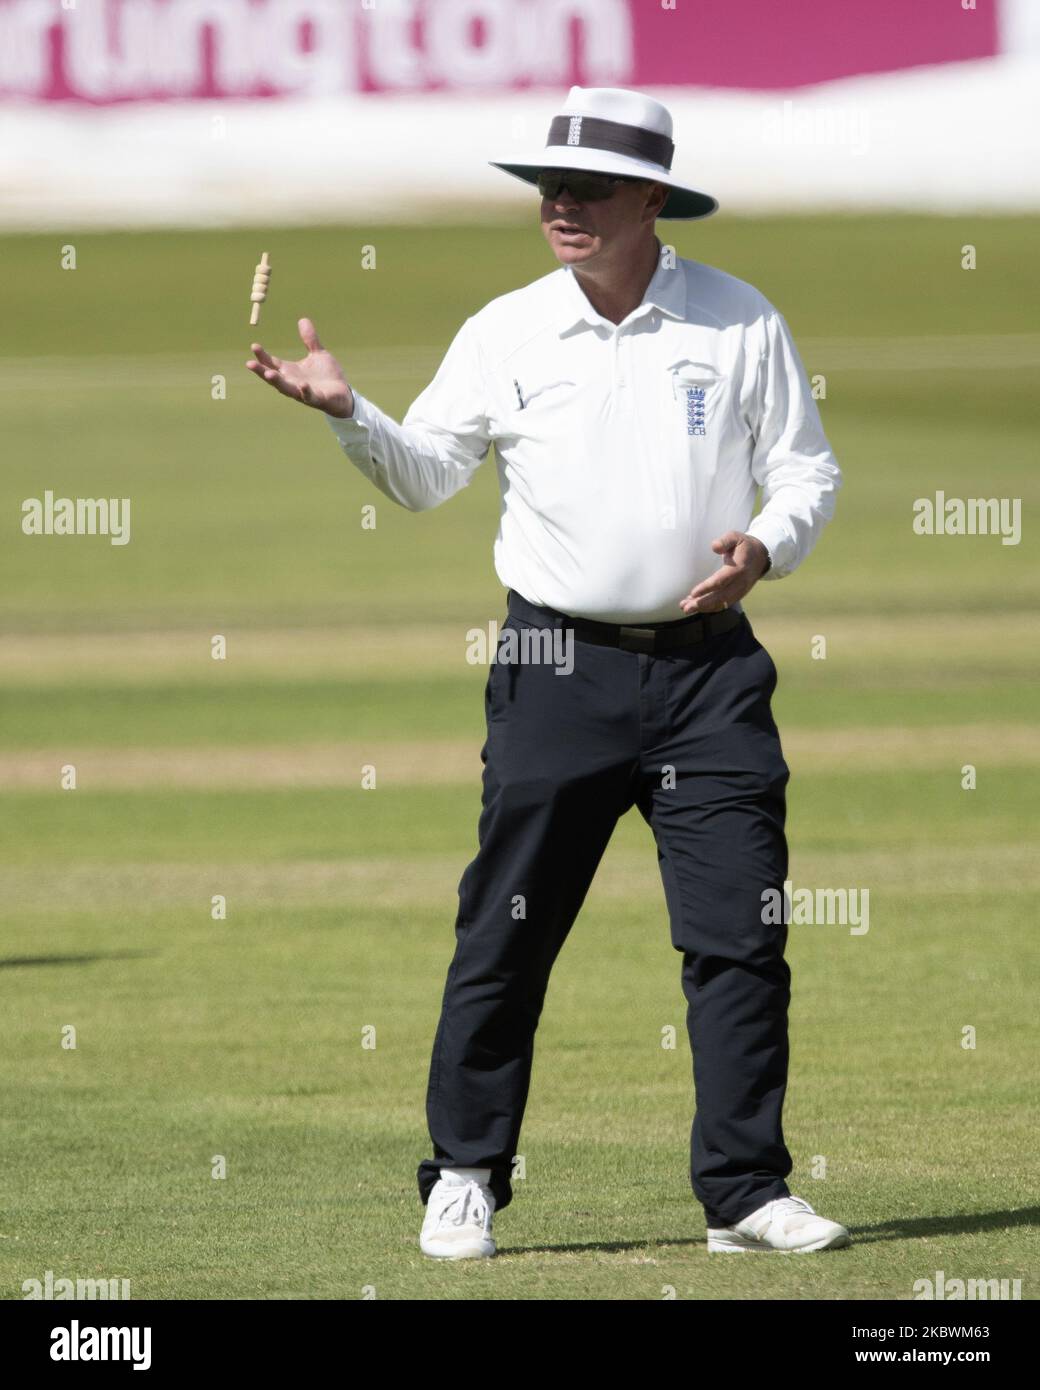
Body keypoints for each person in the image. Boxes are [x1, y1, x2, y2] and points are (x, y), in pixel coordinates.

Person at [246, 86, 849, 1258]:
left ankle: (742, 1190)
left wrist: (764, 546)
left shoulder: (734, 320)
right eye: (546, 188)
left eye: (585, 189)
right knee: (507, 930)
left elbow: (806, 473)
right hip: (551, 663)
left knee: (737, 936)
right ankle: (465, 1169)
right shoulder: (505, 328)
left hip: (708, 675)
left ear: (652, 199)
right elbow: (426, 473)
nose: (558, 206)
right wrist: (347, 413)